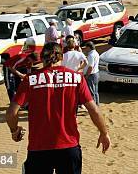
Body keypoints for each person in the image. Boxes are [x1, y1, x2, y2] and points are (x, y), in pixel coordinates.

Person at [6, 42, 111, 173]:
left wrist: (14, 130)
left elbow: (11, 113)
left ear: (42, 58)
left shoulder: (31, 79)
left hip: (39, 148)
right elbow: (93, 109)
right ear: (61, 58)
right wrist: (104, 133)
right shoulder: (77, 78)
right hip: (69, 146)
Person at [82, 42, 100, 106]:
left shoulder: (91, 55)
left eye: (86, 47)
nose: (85, 49)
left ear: (89, 47)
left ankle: (94, 106)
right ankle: (97, 105)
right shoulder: (96, 53)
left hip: (91, 75)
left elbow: (90, 67)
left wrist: (87, 75)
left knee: (91, 92)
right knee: (95, 91)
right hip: (96, 74)